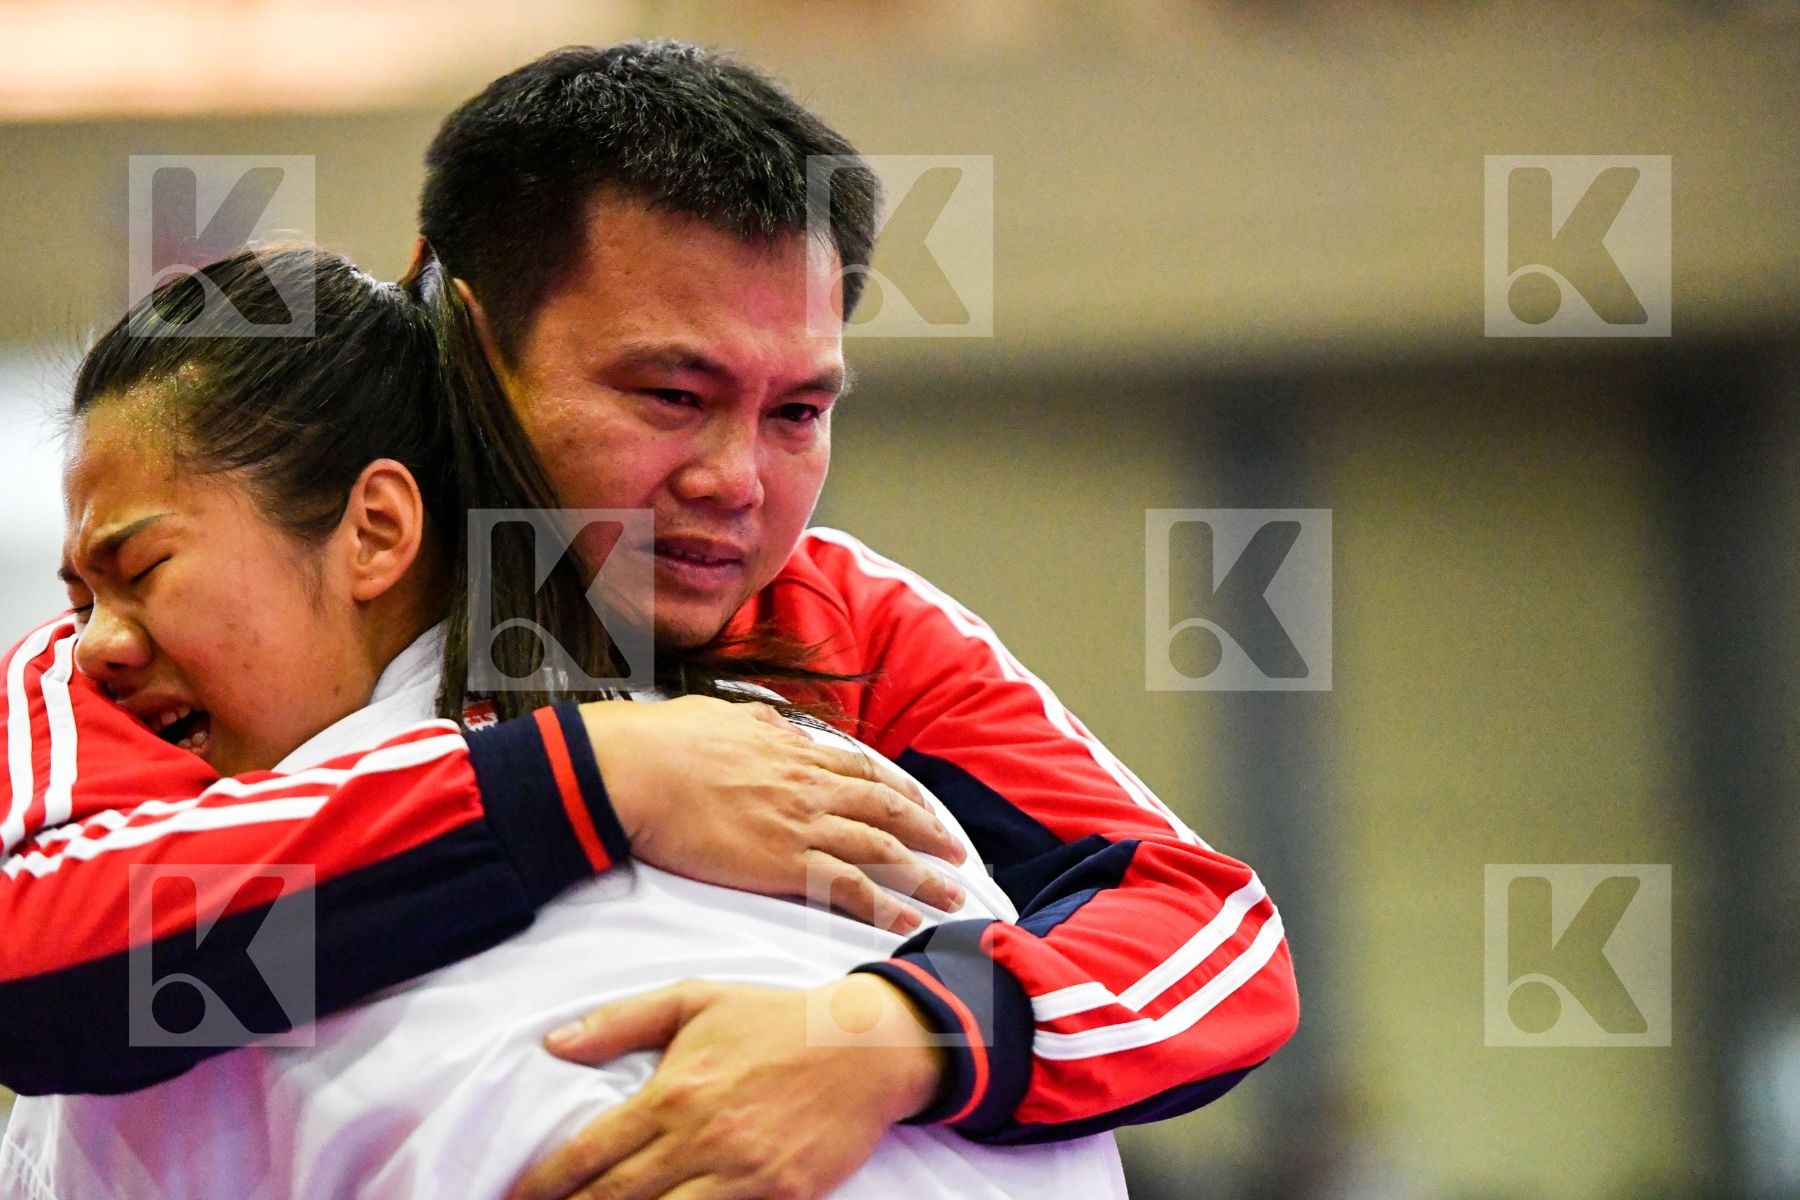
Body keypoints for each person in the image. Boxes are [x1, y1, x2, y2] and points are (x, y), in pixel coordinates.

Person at [0, 39, 1298, 1200]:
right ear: (465, 331)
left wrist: (899, 1035)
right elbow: (32, 964)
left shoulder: (835, 612)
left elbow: (1212, 936)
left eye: (797, 413)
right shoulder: (168, 634)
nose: (736, 480)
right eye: (671, 396)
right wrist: (593, 778)